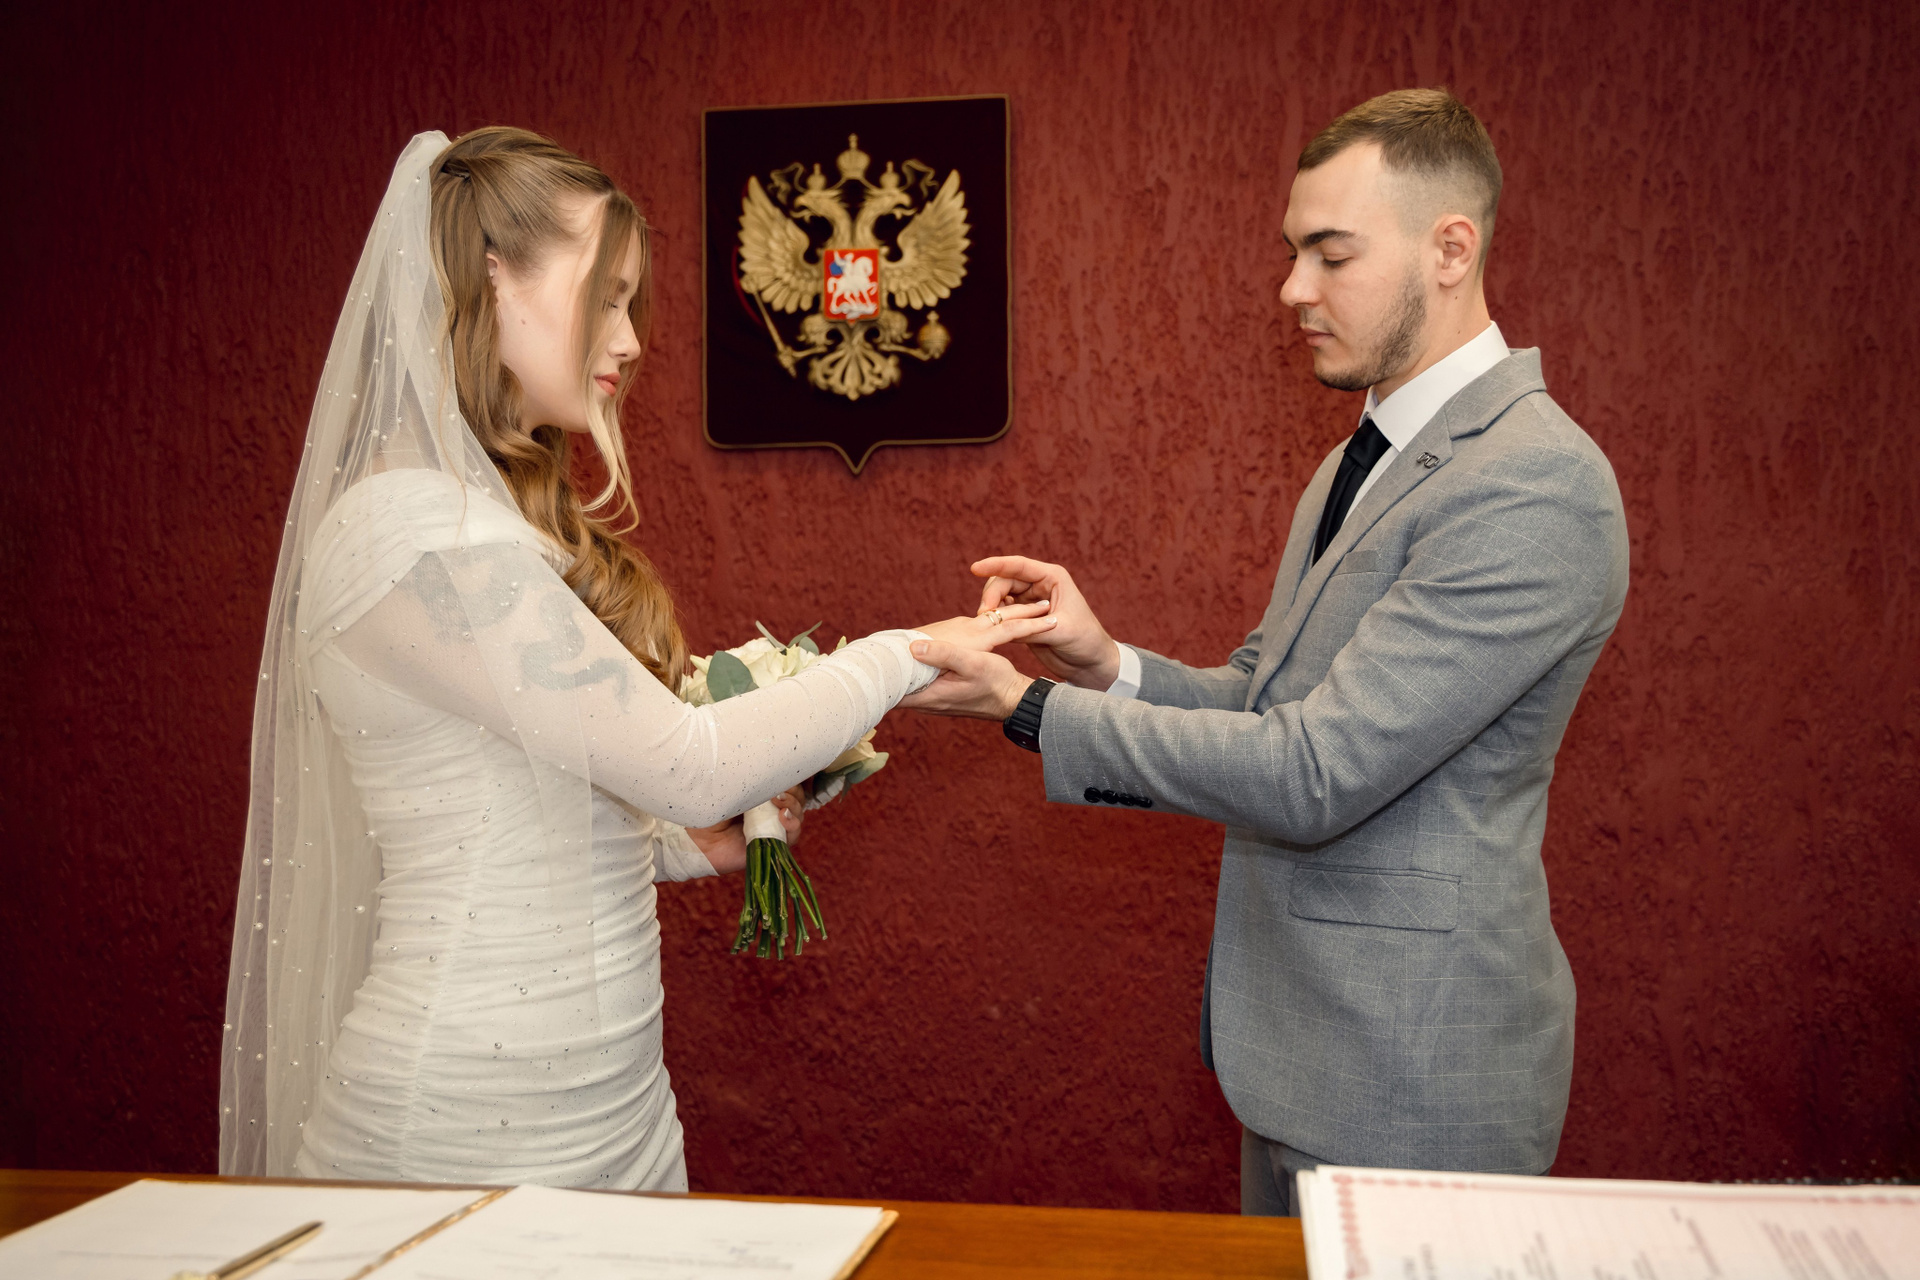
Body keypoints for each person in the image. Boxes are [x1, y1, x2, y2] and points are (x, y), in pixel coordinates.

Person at [218, 128, 1053, 1188]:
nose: (629, 338)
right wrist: (901, 655)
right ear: (491, 279)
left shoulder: (475, 521)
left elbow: (519, 809)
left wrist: (676, 850)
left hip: (617, 1113)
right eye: (603, 298)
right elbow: (688, 763)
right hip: (462, 1130)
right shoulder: (414, 539)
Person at [904, 89, 1630, 1214]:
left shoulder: (1533, 481)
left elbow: (1313, 769)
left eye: (1330, 255)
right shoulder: (1362, 457)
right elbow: (1263, 698)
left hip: (1413, 1082)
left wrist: (1027, 709)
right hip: (1303, 1056)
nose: (1293, 288)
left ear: (1451, 250)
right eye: (1294, 253)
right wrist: (1103, 663)